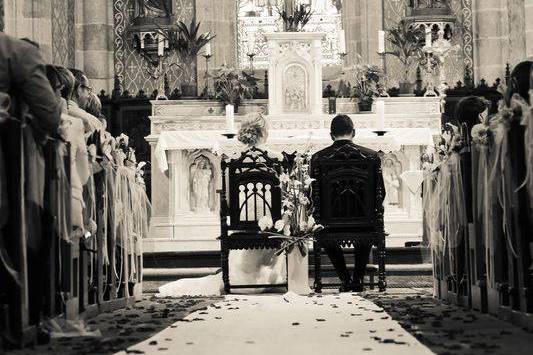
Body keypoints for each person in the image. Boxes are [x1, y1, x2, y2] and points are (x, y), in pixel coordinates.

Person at [157, 114, 285, 296]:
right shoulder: (276, 158)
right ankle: (276, 274)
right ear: (264, 133)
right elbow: (282, 195)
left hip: (241, 221)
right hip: (270, 226)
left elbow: (228, 199)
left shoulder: (233, 161)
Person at [311, 115, 385, 292]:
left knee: (322, 225)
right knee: (366, 217)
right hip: (364, 222)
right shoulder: (372, 156)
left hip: (330, 223)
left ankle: (345, 279)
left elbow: (314, 193)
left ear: (331, 135)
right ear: (354, 132)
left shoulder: (318, 158)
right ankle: (357, 279)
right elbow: (380, 192)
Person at [67, 68, 103, 134]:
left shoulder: (53, 113)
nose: (89, 95)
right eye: (88, 90)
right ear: (79, 89)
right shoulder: (90, 121)